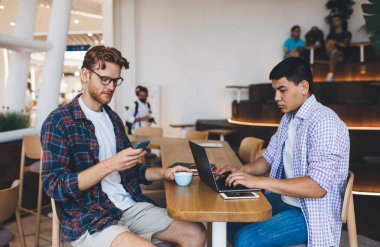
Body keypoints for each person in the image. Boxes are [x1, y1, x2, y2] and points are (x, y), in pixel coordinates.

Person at [40, 45, 207, 247]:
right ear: (85, 74)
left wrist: (164, 173)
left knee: (196, 232)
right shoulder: (60, 121)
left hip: (128, 207)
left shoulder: (113, 118)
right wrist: (110, 164)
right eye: (104, 79)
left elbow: (133, 171)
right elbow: (54, 186)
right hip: (90, 217)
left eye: (115, 81)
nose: (111, 87)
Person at [217, 57, 350, 247]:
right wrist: (241, 171)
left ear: (303, 87)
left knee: (245, 239)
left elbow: (317, 188)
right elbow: (268, 158)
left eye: (282, 90)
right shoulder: (289, 118)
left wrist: (258, 181)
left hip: (310, 213)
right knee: (225, 221)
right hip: (282, 200)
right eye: (275, 91)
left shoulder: (324, 122)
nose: (276, 98)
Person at [325, 14, 352, 81]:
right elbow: (326, 47)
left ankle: (330, 74)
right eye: (333, 21)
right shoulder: (330, 35)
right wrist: (329, 44)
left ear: (341, 21)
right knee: (333, 52)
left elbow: (344, 45)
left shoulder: (347, 33)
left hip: (342, 55)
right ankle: (330, 75)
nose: (334, 22)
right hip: (331, 53)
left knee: (334, 53)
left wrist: (335, 42)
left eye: (336, 20)